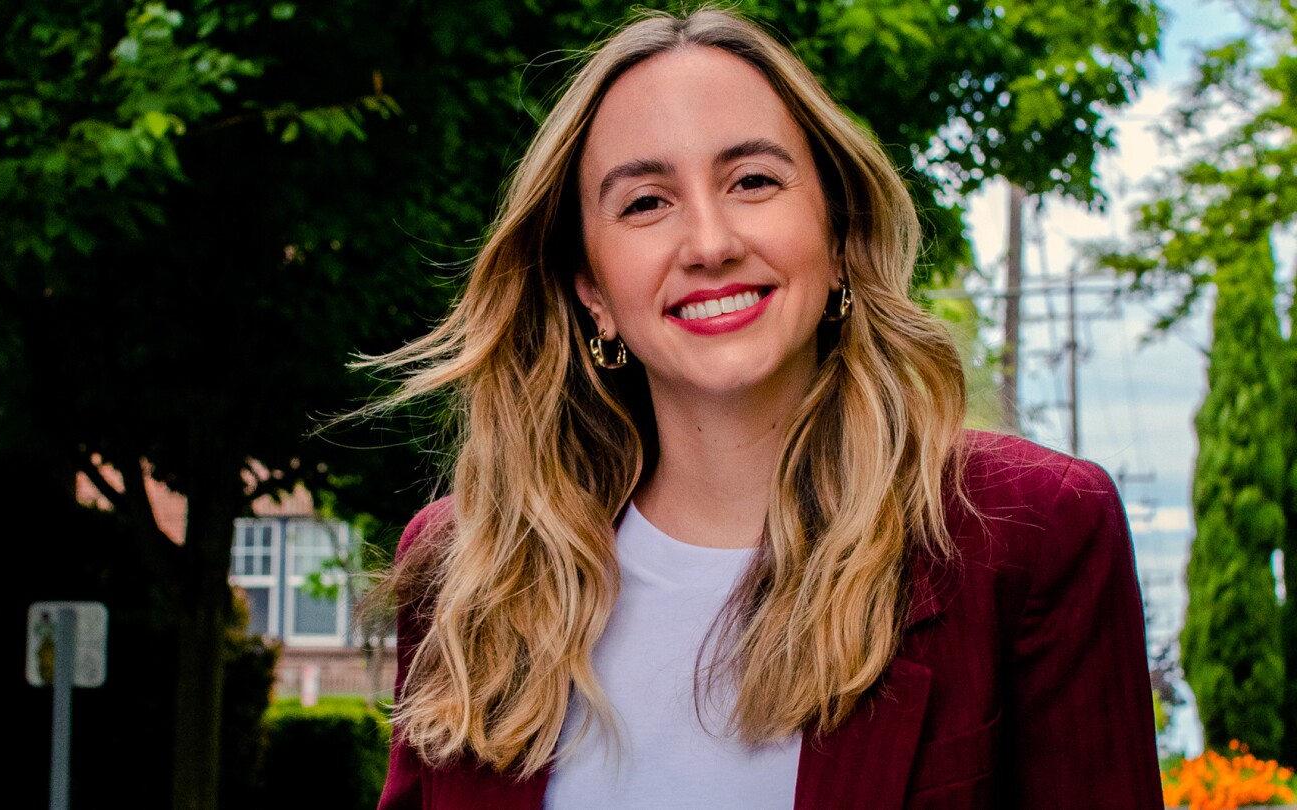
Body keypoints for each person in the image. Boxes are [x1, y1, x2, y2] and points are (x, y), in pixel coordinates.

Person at [364, 7, 1162, 809]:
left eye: (753, 181)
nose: (710, 243)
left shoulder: (1031, 531)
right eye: (645, 202)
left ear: (840, 234)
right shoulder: (468, 568)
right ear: (593, 294)